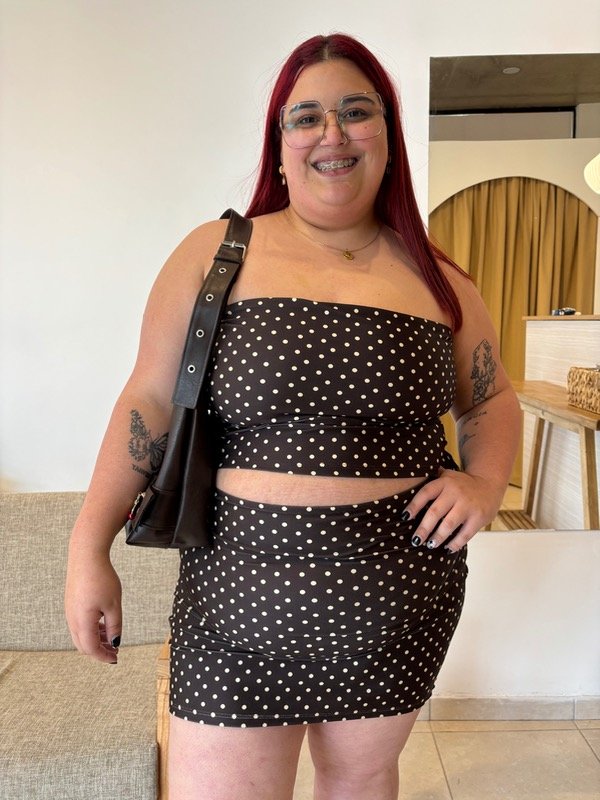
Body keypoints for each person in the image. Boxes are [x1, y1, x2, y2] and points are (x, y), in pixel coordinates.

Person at [65, 33, 521, 800]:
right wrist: (88, 546)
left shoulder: (439, 278)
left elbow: (491, 397)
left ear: (387, 135)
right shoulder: (215, 254)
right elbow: (148, 401)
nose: (332, 133)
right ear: (279, 148)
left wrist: (485, 483)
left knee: (361, 779)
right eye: (306, 117)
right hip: (235, 603)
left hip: (398, 599)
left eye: (356, 111)